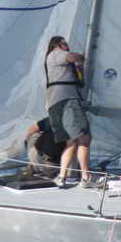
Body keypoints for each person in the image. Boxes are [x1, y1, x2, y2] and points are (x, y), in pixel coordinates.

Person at [44, 35, 93, 186]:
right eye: (64, 43)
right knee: (84, 138)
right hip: (67, 101)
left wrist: (79, 67)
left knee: (71, 142)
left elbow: (79, 81)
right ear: (57, 45)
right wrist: (82, 56)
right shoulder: (56, 54)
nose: (67, 45)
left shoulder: (58, 62)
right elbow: (71, 56)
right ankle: (86, 178)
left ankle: (62, 176)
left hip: (55, 103)